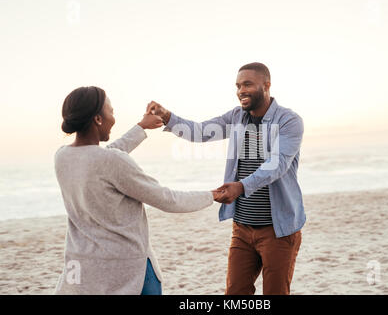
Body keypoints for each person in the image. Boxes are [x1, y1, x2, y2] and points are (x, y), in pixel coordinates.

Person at [148, 62, 306, 295]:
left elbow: (277, 164)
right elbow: (200, 131)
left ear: (267, 85)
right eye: (238, 85)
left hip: (278, 230)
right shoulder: (236, 117)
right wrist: (167, 116)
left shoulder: (288, 121)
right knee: (234, 294)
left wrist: (241, 187)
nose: (241, 90)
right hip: (242, 228)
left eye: (248, 84)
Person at [54, 86, 221, 295]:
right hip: (127, 270)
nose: (113, 119)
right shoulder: (111, 161)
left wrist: (141, 127)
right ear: (98, 119)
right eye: (111, 112)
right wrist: (213, 195)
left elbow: (103, 157)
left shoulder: (62, 157)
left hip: (82, 268)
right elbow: (167, 200)